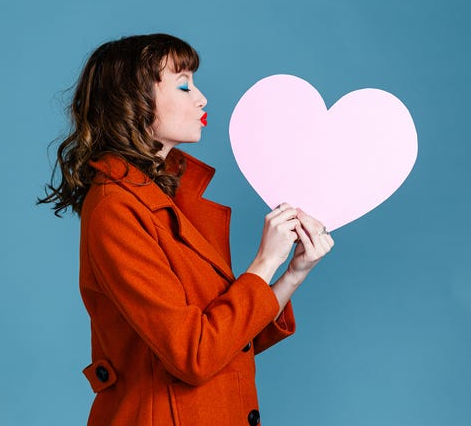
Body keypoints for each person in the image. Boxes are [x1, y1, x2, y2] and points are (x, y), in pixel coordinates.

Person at [38, 33, 334, 426]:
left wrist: (294, 272)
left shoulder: (170, 197)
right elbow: (195, 355)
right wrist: (265, 261)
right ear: (133, 101)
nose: (201, 98)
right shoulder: (116, 208)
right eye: (183, 85)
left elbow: (231, 339)